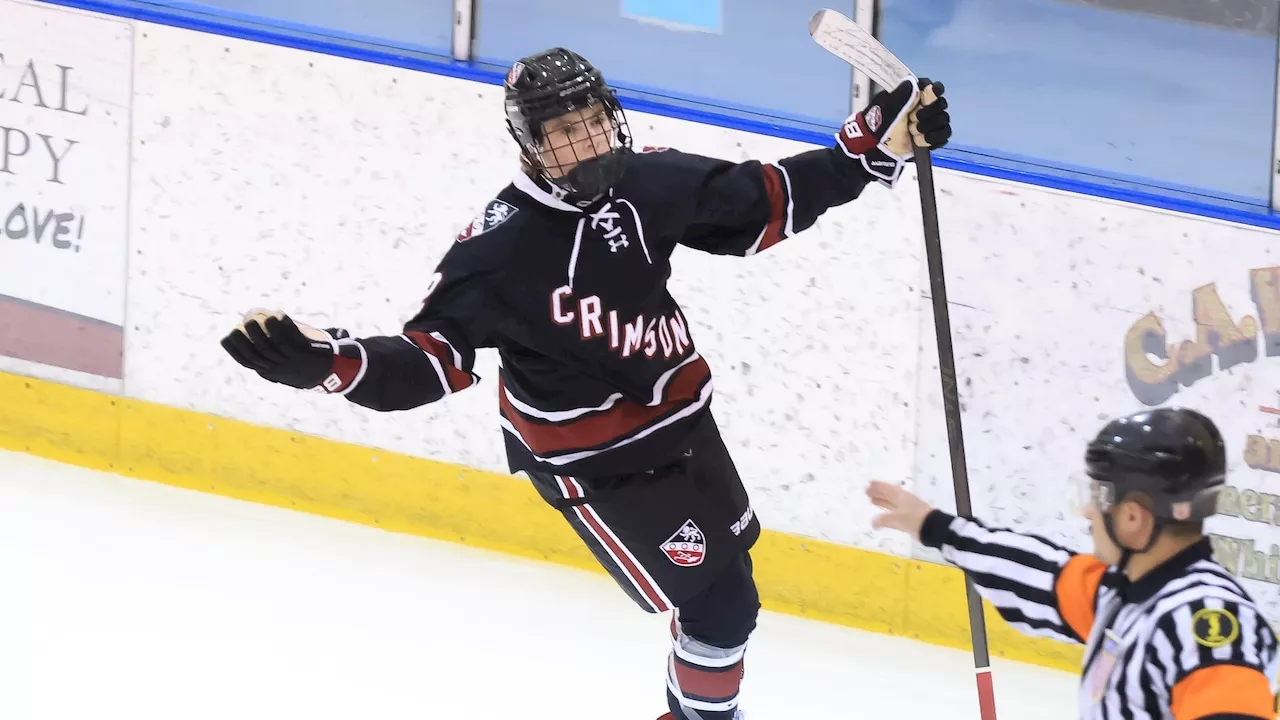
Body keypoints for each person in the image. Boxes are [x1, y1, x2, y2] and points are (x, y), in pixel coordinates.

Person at [220, 46, 951, 720]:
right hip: (598, 466)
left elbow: (763, 201)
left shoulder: (644, 179)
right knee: (721, 608)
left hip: (686, 428)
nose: (585, 143)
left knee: (734, 596)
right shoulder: (500, 249)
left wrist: (872, 145)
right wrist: (333, 365)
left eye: (593, 122)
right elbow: (431, 362)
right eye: (562, 132)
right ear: (529, 146)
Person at [867, 407, 1279, 719]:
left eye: (1099, 497)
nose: (1088, 513)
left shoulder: (1206, 625)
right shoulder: (1128, 594)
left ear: (1134, 517)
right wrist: (935, 527)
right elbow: (1039, 574)